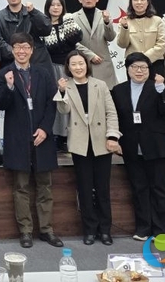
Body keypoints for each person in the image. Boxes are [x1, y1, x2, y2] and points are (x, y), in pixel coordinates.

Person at [0, 33, 62, 249]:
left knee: (45, 187)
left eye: (25, 47)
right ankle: (25, 231)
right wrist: (9, 86)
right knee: (21, 187)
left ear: (32, 50)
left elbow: (52, 103)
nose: (21, 51)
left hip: (42, 138)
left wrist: (45, 129)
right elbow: (1, 104)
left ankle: (47, 230)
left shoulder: (43, 73)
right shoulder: (4, 73)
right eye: (17, 47)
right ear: (12, 50)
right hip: (18, 139)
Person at [54, 50, 121, 246]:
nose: (78, 67)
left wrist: (112, 136)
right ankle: (90, 230)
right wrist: (62, 92)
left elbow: (111, 112)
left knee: (102, 189)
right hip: (79, 143)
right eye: (73, 64)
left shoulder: (100, 85)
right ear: (68, 67)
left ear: (87, 65)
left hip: (101, 142)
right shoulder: (66, 86)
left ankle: (105, 230)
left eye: (81, 63)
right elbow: (63, 110)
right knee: (84, 189)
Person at [110, 52, 165, 240]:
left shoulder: (157, 87)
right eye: (135, 67)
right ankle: (143, 228)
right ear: (128, 69)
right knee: (139, 188)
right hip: (131, 146)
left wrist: (162, 89)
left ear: (149, 70)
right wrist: (116, 140)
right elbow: (116, 117)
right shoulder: (118, 90)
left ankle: (163, 230)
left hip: (156, 145)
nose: (139, 71)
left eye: (144, 67)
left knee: (159, 188)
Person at [43, 0, 83, 151]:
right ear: (47, 8)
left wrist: (67, 22)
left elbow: (76, 38)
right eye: (52, 5)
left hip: (70, 68)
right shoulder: (44, 25)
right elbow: (47, 48)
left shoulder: (69, 20)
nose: (55, 8)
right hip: (52, 68)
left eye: (58, 5)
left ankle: (73, 135)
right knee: (58, 102)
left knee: (74, 101)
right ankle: (58, 136)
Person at [0, 0, 53, 71]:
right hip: (11, 62)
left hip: (37, 60)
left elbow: (46, 29)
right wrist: (17, 52)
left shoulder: (31, 12)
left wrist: (34, 12)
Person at [69, 0, 118, 88]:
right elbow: (72, 42)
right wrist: (90, 55)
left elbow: (111, 38)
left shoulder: (104, 15)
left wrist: (107, 22)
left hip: (103, 66)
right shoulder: (72, 18)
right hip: (83, 65)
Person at [116, 0, 165, 78]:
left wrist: (144, 58)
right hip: (133, 65)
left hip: (155, 63)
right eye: (136, 0)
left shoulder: (157, 20)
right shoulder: (124, 21)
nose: (139, 2)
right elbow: (122, 44)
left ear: (147, 2)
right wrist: (124, 28)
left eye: (142, 0)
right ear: (131, 3)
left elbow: (162, 44)